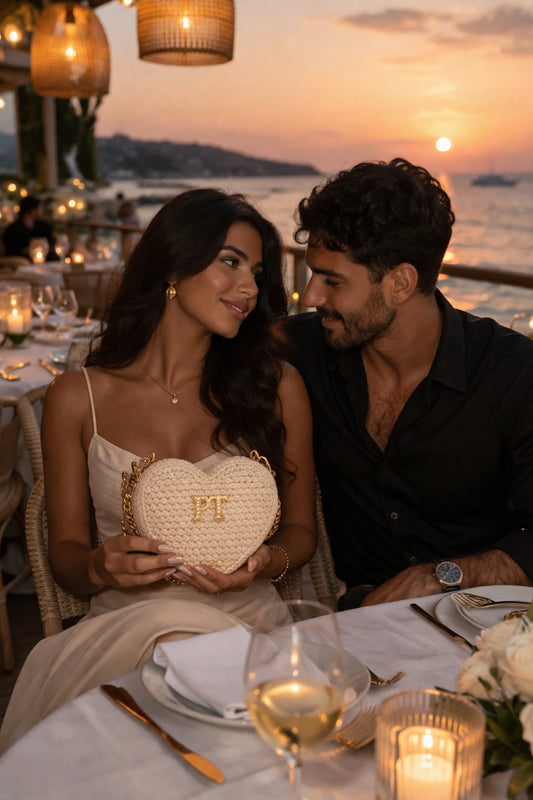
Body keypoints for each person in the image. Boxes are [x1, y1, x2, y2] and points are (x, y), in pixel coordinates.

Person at [0, 189, 316, 751]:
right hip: (124, 630)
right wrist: (101, 567)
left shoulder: (277, 388)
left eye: (257, 272)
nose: (249, 288)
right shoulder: (78, 398)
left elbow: (301, 533)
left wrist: (269, 560)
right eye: (230, 262)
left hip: (246, 623)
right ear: (173, 263)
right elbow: (66, 558)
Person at [287, 157, 533, 610]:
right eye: (311, 274)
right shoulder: (301, 350)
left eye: (332, 280)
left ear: (400, 283)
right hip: (352, 623)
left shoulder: (514, 375)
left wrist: (441, 578)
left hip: (484, 623)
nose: (312, 296)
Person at [1, 195, 59, 261]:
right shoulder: (14, 228)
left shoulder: (42, 225)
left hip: (43, 257)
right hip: (21, 259)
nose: (42, 211)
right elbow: (10, 249)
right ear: (32, 210)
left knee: (53, 256)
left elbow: (52, 239)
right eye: (40, 208)